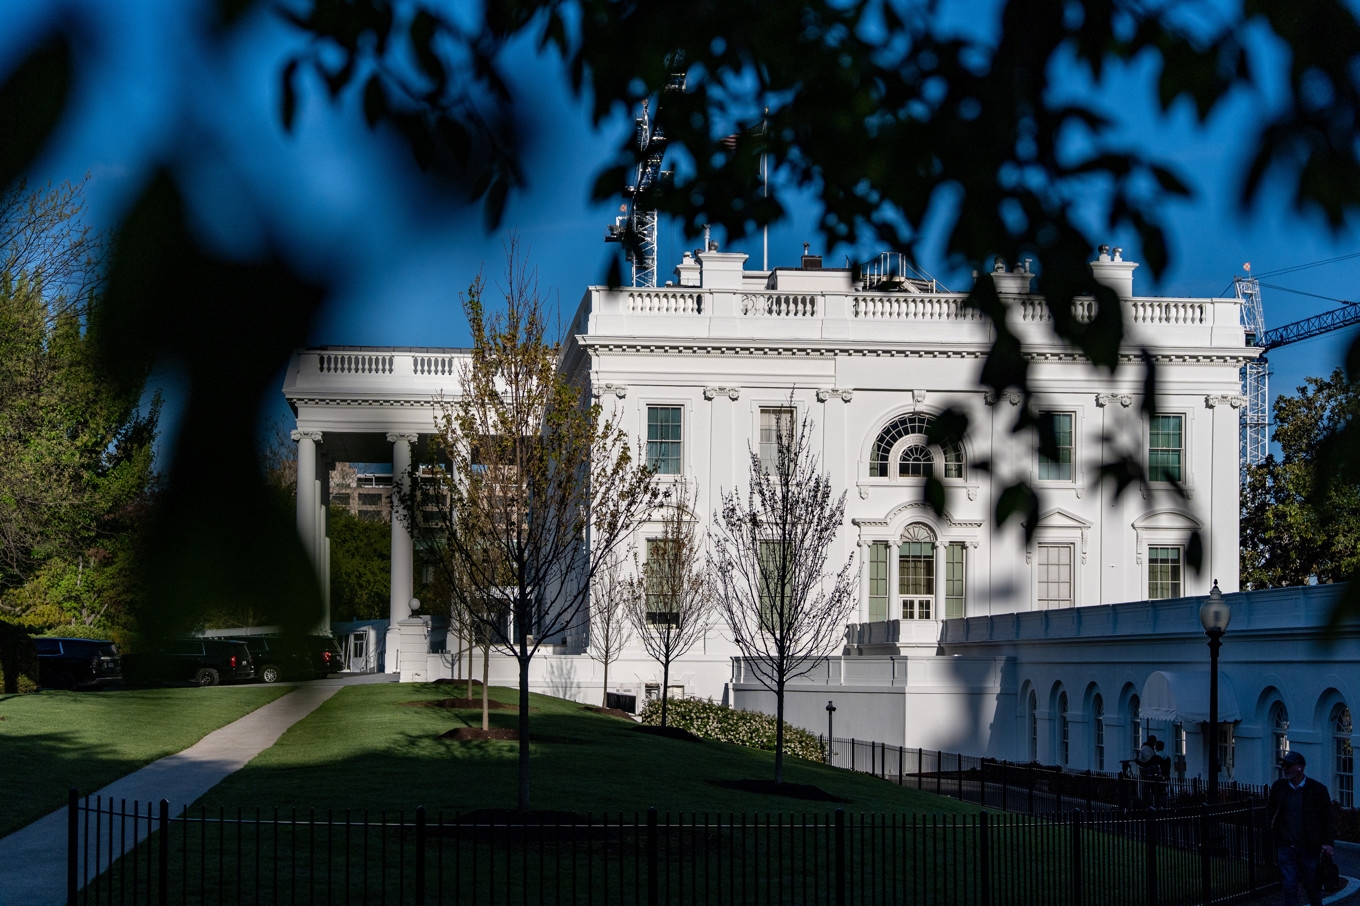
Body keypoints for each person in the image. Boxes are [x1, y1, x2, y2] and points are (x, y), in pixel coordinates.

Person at [1268, 750, 1336, 906]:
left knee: (1312, 886)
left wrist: (1328, 842)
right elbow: (1271, 810)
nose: (1285, 768)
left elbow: (1327, 818)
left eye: (1289, 765)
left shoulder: (1317, 789)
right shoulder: (1279, 787)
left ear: (1300, 767)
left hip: (1309, 846)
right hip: (1286, 845)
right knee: (1289, 887)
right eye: (1284, 765)